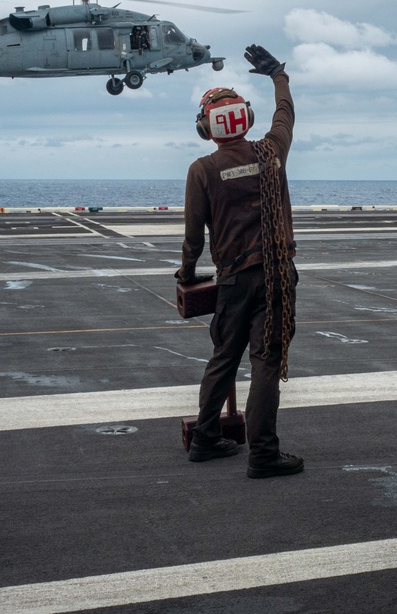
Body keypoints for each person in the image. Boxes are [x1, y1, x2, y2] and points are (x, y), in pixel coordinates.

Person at [177, 44, 303, 479]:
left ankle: (206, 438)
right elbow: (285, 115)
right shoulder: (271, 152)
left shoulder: (202, 170)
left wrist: (189, 274)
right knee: (266, 363)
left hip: (232, 281)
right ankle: (263, 453)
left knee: (223, 359)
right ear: (245, 119)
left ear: (205, 129)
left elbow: (193, 237)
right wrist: (278, 76)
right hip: (276, 278)